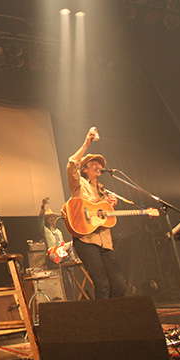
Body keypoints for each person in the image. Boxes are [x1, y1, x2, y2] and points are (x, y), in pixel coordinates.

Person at [65, 127, 127, 299]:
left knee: (120, 285)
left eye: (100, 165)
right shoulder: (78, 184)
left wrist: (110, 206)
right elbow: (71, 163)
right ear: (85, 169)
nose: (99, 167)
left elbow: (104, 219)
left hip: (106, 243)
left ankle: (116, 315)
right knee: (102, 285)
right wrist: (86, 144)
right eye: (94, 164)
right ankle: (103, 316)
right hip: (86, 240)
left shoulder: (103, 192)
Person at [38, 198, 74, 266]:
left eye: (53, 217)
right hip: (52, 257)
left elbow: (62, 245)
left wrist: (71, 243)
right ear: (46, 220)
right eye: (50, 217)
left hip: (61, 256)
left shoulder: (58, 232)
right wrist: (43, 206)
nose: (52, 218)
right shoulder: (45, 230)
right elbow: (40, 220)